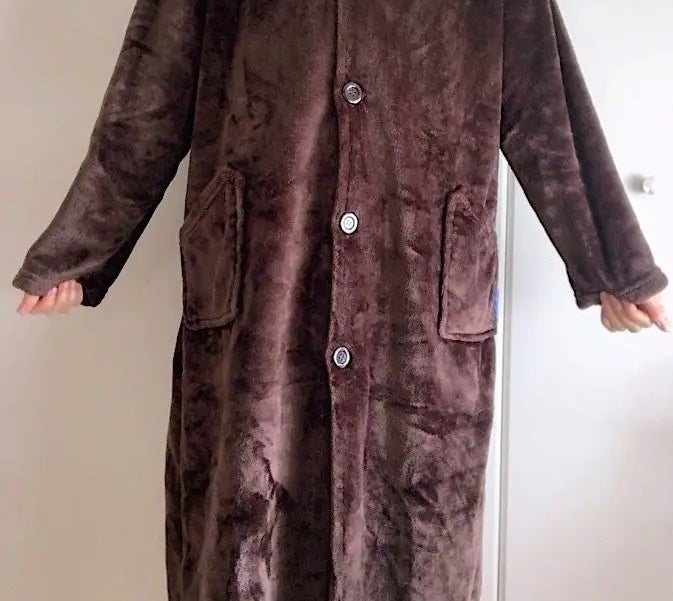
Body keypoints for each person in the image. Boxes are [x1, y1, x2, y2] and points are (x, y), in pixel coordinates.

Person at [11, 1, 670, 600]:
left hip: (415, 308)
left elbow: (549, 109)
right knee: (249, 522)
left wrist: (613, 265)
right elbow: (148, 100)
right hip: (265, 293)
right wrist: (81, 248)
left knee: (412, 540)